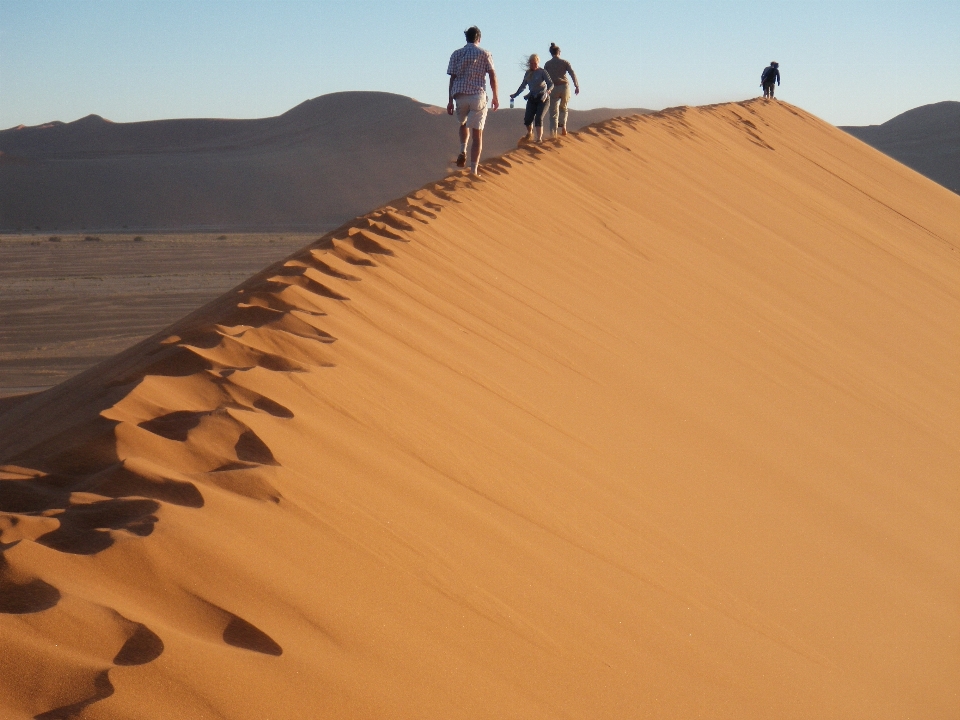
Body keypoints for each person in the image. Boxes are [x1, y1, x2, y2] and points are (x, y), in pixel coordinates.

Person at [446, 26, 499, 176]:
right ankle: (474, 170)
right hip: (477, 95)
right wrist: (495, 96)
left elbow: (452, 78)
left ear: (466, 38)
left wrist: (450, 100)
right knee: (477, 134)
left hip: (460, 96)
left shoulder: (456, 54)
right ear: (479, 39)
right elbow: (492, 75)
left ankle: (462, 150)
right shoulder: (485, 53)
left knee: (463, 124)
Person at [509, 54, 554, 144]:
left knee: (538, 117)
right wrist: (515, 94)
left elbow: (550, 83)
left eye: (535, 63)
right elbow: (523, 86)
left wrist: (548, 91)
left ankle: (539, 139)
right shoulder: (528, 73)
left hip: (543, 99)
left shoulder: (542, 72)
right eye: (531, 63)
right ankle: (530, 133)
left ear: (538, 62)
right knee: (527, 119)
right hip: (532, 98)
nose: (533, 65)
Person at [544, 43, 580, 136]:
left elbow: (544, 78)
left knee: (553, 113)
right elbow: (572, 73)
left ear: (551, 53)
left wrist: (544, 90)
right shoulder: (565, 62)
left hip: (553, 88)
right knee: (564, 107)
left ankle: (553, 133)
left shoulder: (547, 64)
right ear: (559, 52)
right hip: (564, 87)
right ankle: (563, 126)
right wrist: (576, 85)